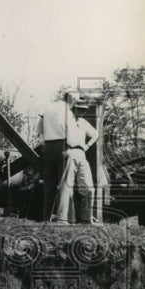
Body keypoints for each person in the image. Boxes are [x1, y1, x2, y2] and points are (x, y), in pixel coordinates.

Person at [51, 92, 99, 224]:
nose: (82, 112)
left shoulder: (83, 122)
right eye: (79, 109)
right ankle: (62, 219)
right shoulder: (66, 119)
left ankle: (86, 219)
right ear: (74, 108)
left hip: (81, 154)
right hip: (69, 152)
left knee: (89, 188)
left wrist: (87, 146)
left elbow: (95, 134)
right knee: (66, 186)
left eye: (84, 110)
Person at [35, 93, 74, 221]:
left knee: (49, 185)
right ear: (71, 100)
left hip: (48, 147)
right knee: (64, 184)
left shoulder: (47, 107)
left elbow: (38, 128)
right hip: (63, 145)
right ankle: (62, 218)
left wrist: (43, 140)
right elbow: (70, 129)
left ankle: (46, 217)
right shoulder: (67, 110)